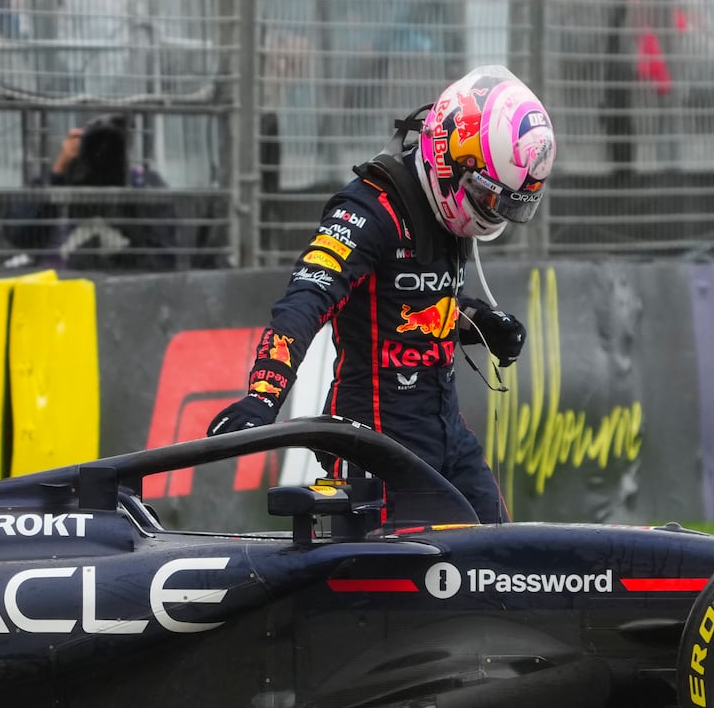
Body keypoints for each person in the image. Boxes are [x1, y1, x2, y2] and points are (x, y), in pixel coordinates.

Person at [205, 66, 554, 524]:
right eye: (490, 198)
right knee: (413, 587)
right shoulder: (367, 211)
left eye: (507, 204)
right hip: (376, 445)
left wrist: (478, 324)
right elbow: (305, 300)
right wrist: (263, 396)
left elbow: (416, 305)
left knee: (505, 568)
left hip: (445, 430)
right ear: (451, 158)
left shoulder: (446, 214)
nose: (494, 213)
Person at [4, 115, 180, 271]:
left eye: (112, 144)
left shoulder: (143, 185)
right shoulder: (57, 182)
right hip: (58, 291)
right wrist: (58, 172)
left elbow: (164, 259)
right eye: (95, 143)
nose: (103, 153)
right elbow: (17, 234)